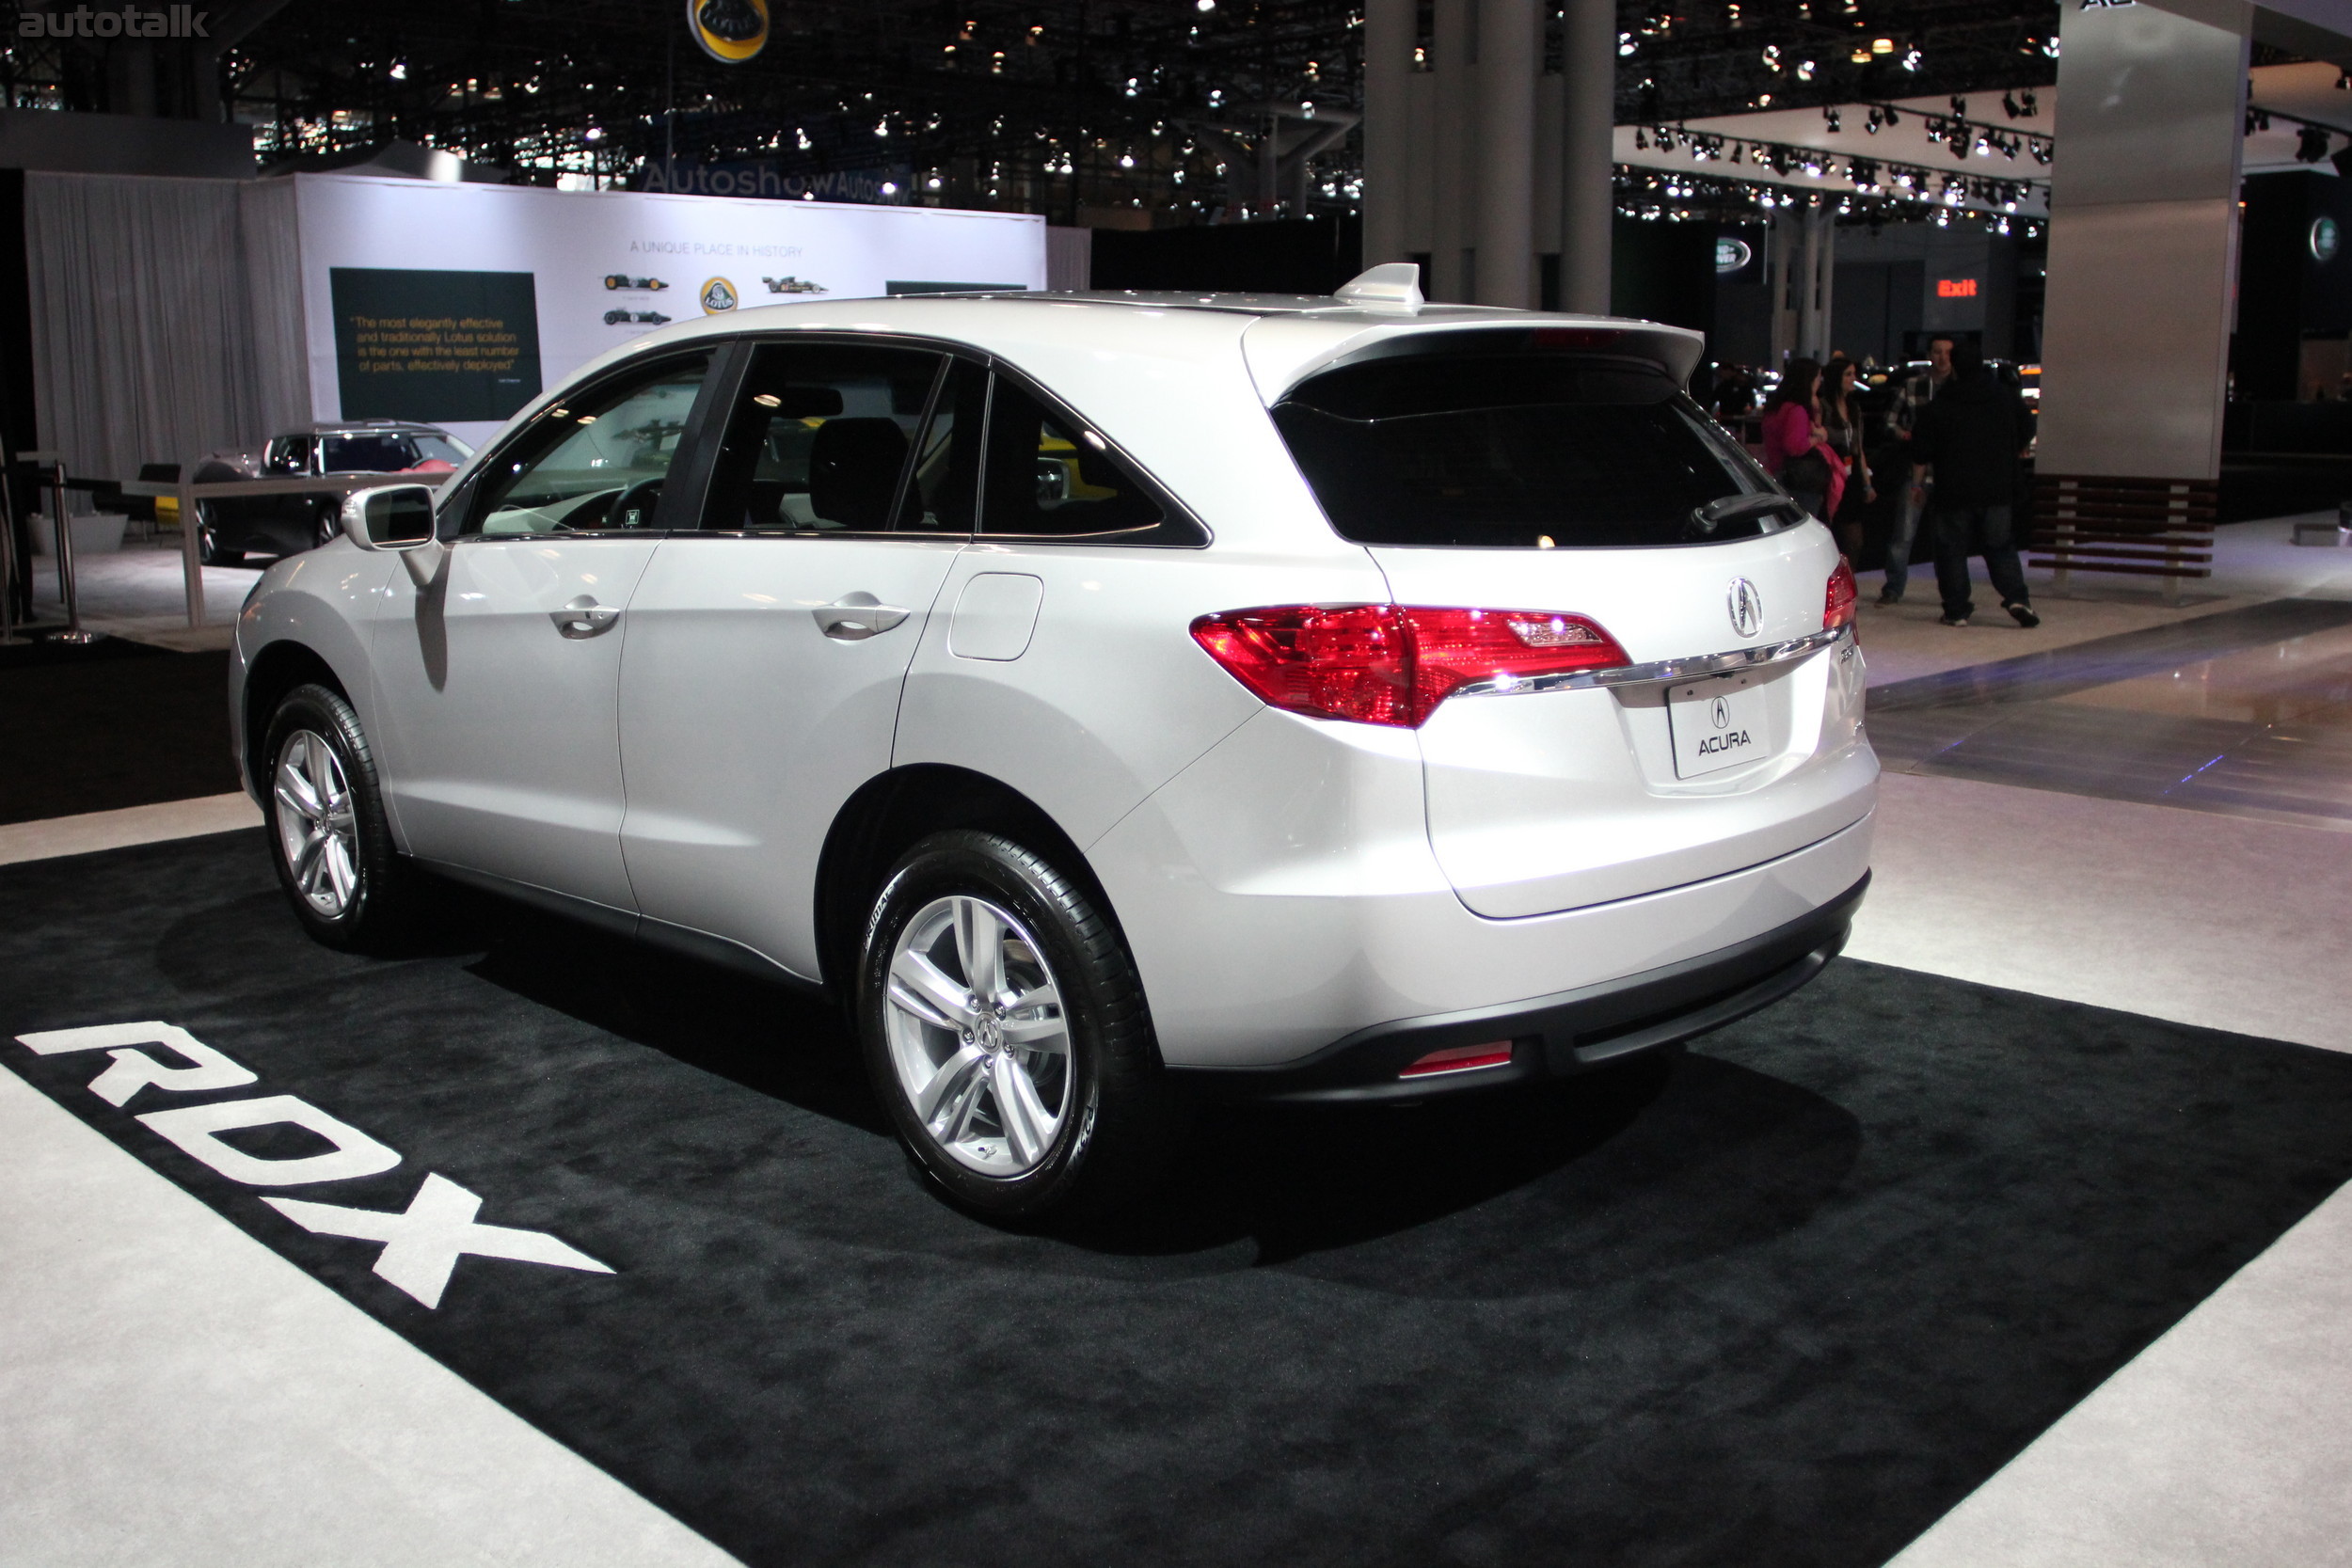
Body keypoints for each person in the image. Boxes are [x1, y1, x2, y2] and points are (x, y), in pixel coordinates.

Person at [1910, 340, 2039, 628]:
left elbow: (1921, 447)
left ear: (1954, 365)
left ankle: (1957, 609)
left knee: (1951, 549)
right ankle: (2017, 597)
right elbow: (2027, 426)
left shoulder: (1944, 403)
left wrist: (1917, 486)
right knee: (2000, 545)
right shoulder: (2004, 396)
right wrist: (2010, 449)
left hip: (1953, 487)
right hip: (1998, 486)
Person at [1879, 336, 1954, 604]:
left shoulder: (1958, 389)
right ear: (1930, 354)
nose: (1942, 357)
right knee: (1903, 533)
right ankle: (1894, 586)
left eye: (1947, 352)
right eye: (1937, 352)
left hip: (1948, 473)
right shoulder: (1913, 385)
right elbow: (1889, 422)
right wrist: (1906, 435)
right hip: (1915, 470)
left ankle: (1951, 592)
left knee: (1946, 537)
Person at [1760, 357, 1839, 525]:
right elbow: (1795, 446)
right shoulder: (1797, 410)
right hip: (1797, 481)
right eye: (1818, 378)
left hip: (1776, 473)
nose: (1819, 383)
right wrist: (1816, 439)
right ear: (1809, 380)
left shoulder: (1777, 407)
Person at [1820, 356, 1877, 559]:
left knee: (1854, 538)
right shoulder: (1823, 406)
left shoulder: (1854, 408)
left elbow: (1858, 447)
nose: (1853, 378)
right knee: (1833, 533)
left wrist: (1867, 484)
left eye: (1854, 374)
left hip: (1851, 475)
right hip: (1830, 474)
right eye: (1848, 374)